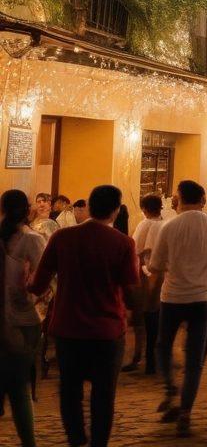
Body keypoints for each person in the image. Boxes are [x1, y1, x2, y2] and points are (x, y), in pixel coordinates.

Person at [28, 184, 138, 447]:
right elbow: (131, 290)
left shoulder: (63, 238)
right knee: (103, 394)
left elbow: (39, 283)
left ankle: (76, 439)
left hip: (68, 327)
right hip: (107, 330)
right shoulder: (123, 243)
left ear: (88, 205)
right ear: (115, 210)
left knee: (70, 391)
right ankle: (99, 442)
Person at [149, 179, 207, 437]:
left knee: (163, 345)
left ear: (179, 198)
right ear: (203, 199)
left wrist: (150, 292)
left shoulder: (169, 226)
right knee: (195, 359)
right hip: (201, 297)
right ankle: (185, 411)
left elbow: (157, 266)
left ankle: (171, 387)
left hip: (172, 296)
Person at [1, 189, 45, 446]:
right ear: (27, 208)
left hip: (5, 318)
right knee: (19, 388)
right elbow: (44, 279)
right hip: (24, 319)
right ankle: (28, 441)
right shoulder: (33, 239)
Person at [124, 193, 164, 374]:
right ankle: (152, 357)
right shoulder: (165, 224)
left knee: (141, 318)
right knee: (155, 317)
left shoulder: (144, 224)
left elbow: (135, 250)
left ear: (144, 209)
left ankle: (139, 355)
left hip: (144, 274)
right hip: (162, 274)